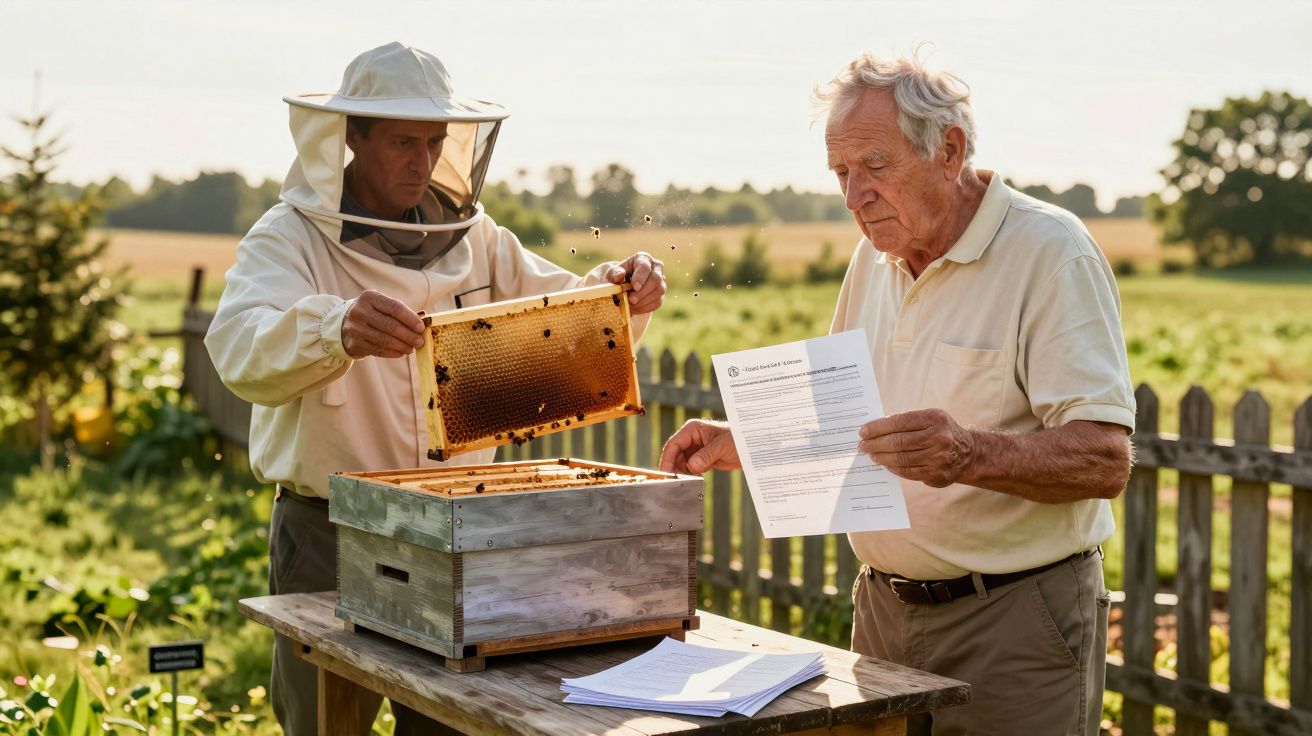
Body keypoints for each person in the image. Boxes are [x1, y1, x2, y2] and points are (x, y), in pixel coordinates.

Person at [659, 53, 1133, 736]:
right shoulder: (873, 256)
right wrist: (749, 442)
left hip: (1014, 620)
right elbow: (849, 419)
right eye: (841, 174)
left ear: (950, 151)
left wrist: (968, 454)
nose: (854, 197)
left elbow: (1104, 460)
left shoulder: (1051, 251)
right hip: (882, 610)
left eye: (875, 167)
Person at [206, 42, 665, 736]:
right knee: (327, 722)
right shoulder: (290, 237)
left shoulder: (479, 238)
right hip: (332, 530)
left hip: (458, 529)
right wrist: (335, 329)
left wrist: (621, 291)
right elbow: (239, 347)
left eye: (433, 142)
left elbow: (566, 318)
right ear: (352, 137)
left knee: (452, 721)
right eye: (401, 142)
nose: (421, 162)